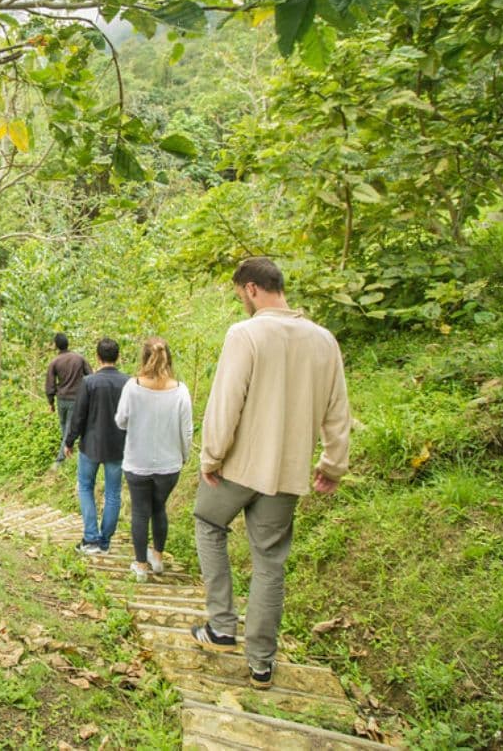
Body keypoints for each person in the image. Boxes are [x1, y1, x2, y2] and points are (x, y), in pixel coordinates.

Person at [190, 257, 351, 691]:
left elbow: (227, 401)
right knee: (270, 563)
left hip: (239, 466)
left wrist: (211, 456)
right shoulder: (323, 340)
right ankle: (261, 662)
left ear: (252, 289)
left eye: (240, 293)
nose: (241, 301)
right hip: (288, 472)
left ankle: (222, 625)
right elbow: (338, 413)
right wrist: (332, 464)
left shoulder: (246, 334)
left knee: (208, 522)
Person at [114, 337, 192, 581]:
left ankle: (140, 566)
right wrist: (184, 456)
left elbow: (121, 420)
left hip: (138, 461)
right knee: (159, 508)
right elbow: (187, 430)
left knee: (140, 511)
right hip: (169, 464)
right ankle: (157, 558)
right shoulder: (180, 390)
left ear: (144, 358)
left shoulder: (132, 386)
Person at [62, 338, 128, 554]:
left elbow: (79, 416)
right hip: (118, 446)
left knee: (85, 487)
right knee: (113, 493)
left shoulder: (89, 382)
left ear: (98, 357)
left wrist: (69, 441)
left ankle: (90, 539)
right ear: (117, 357)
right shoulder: (128, 382)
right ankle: (105, 542)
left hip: (90, 444)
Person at [45, 332, 92, 467]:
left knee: (66, 427)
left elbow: (50, 384)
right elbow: (90, 375)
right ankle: (66, 453)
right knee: (67, 428)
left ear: (56, 346)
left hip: (62, 399)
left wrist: (50, 402)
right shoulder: (79, 358)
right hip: (76, 398)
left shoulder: (54, 362)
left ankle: (60, 460)